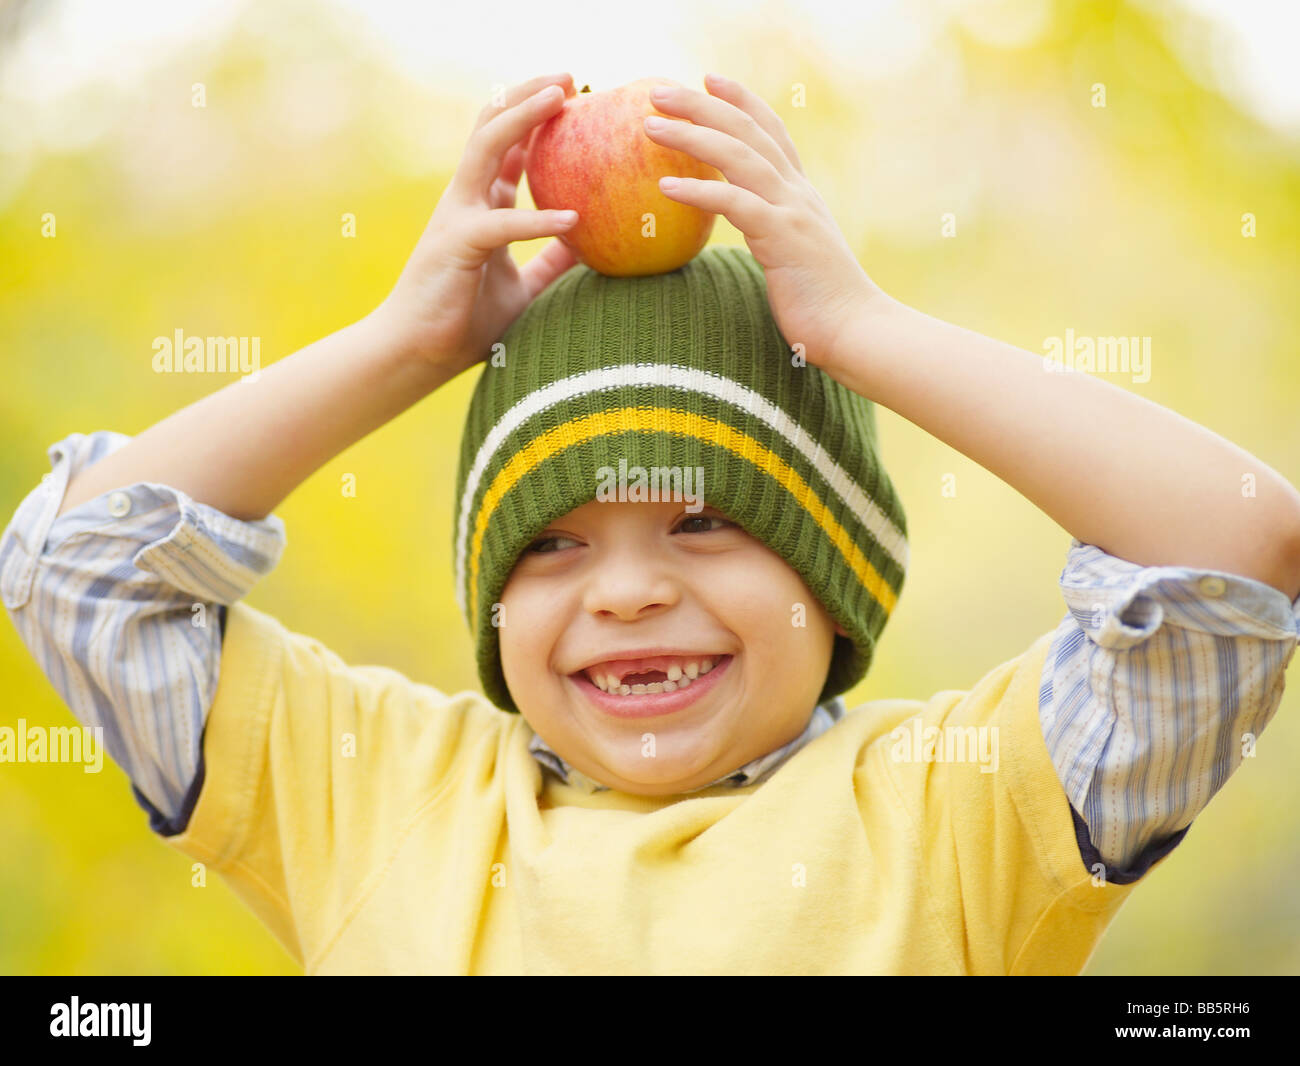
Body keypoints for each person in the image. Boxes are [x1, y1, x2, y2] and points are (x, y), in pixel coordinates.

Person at [4, 72, 1299, 974]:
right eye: (552, 542)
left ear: (830, 570)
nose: (623, 591)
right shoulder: (382, 793)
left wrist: (863, 333)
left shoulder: (953, 815)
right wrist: (408, 345)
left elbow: (1234, 549)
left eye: (697, 521)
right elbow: (77, 569)